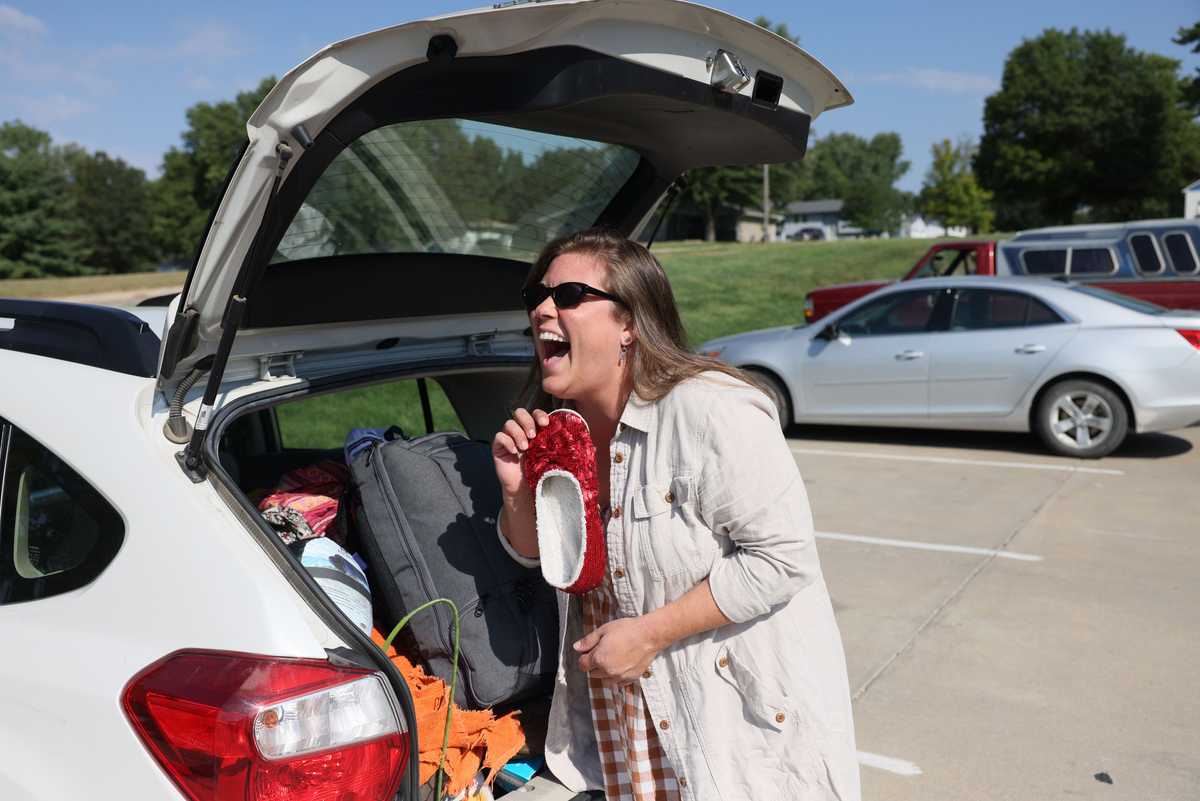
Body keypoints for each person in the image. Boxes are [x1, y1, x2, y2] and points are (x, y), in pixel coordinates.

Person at [492, 228, 859, 801]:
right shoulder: (560, 430)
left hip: (728, 734)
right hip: (619, 737)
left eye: (567, 296)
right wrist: (517, 492)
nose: (542, 308)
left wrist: (648, 634)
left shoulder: (710, 410)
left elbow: (783, 560)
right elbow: (537, 555)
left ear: (630, 324)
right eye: (537, 297)